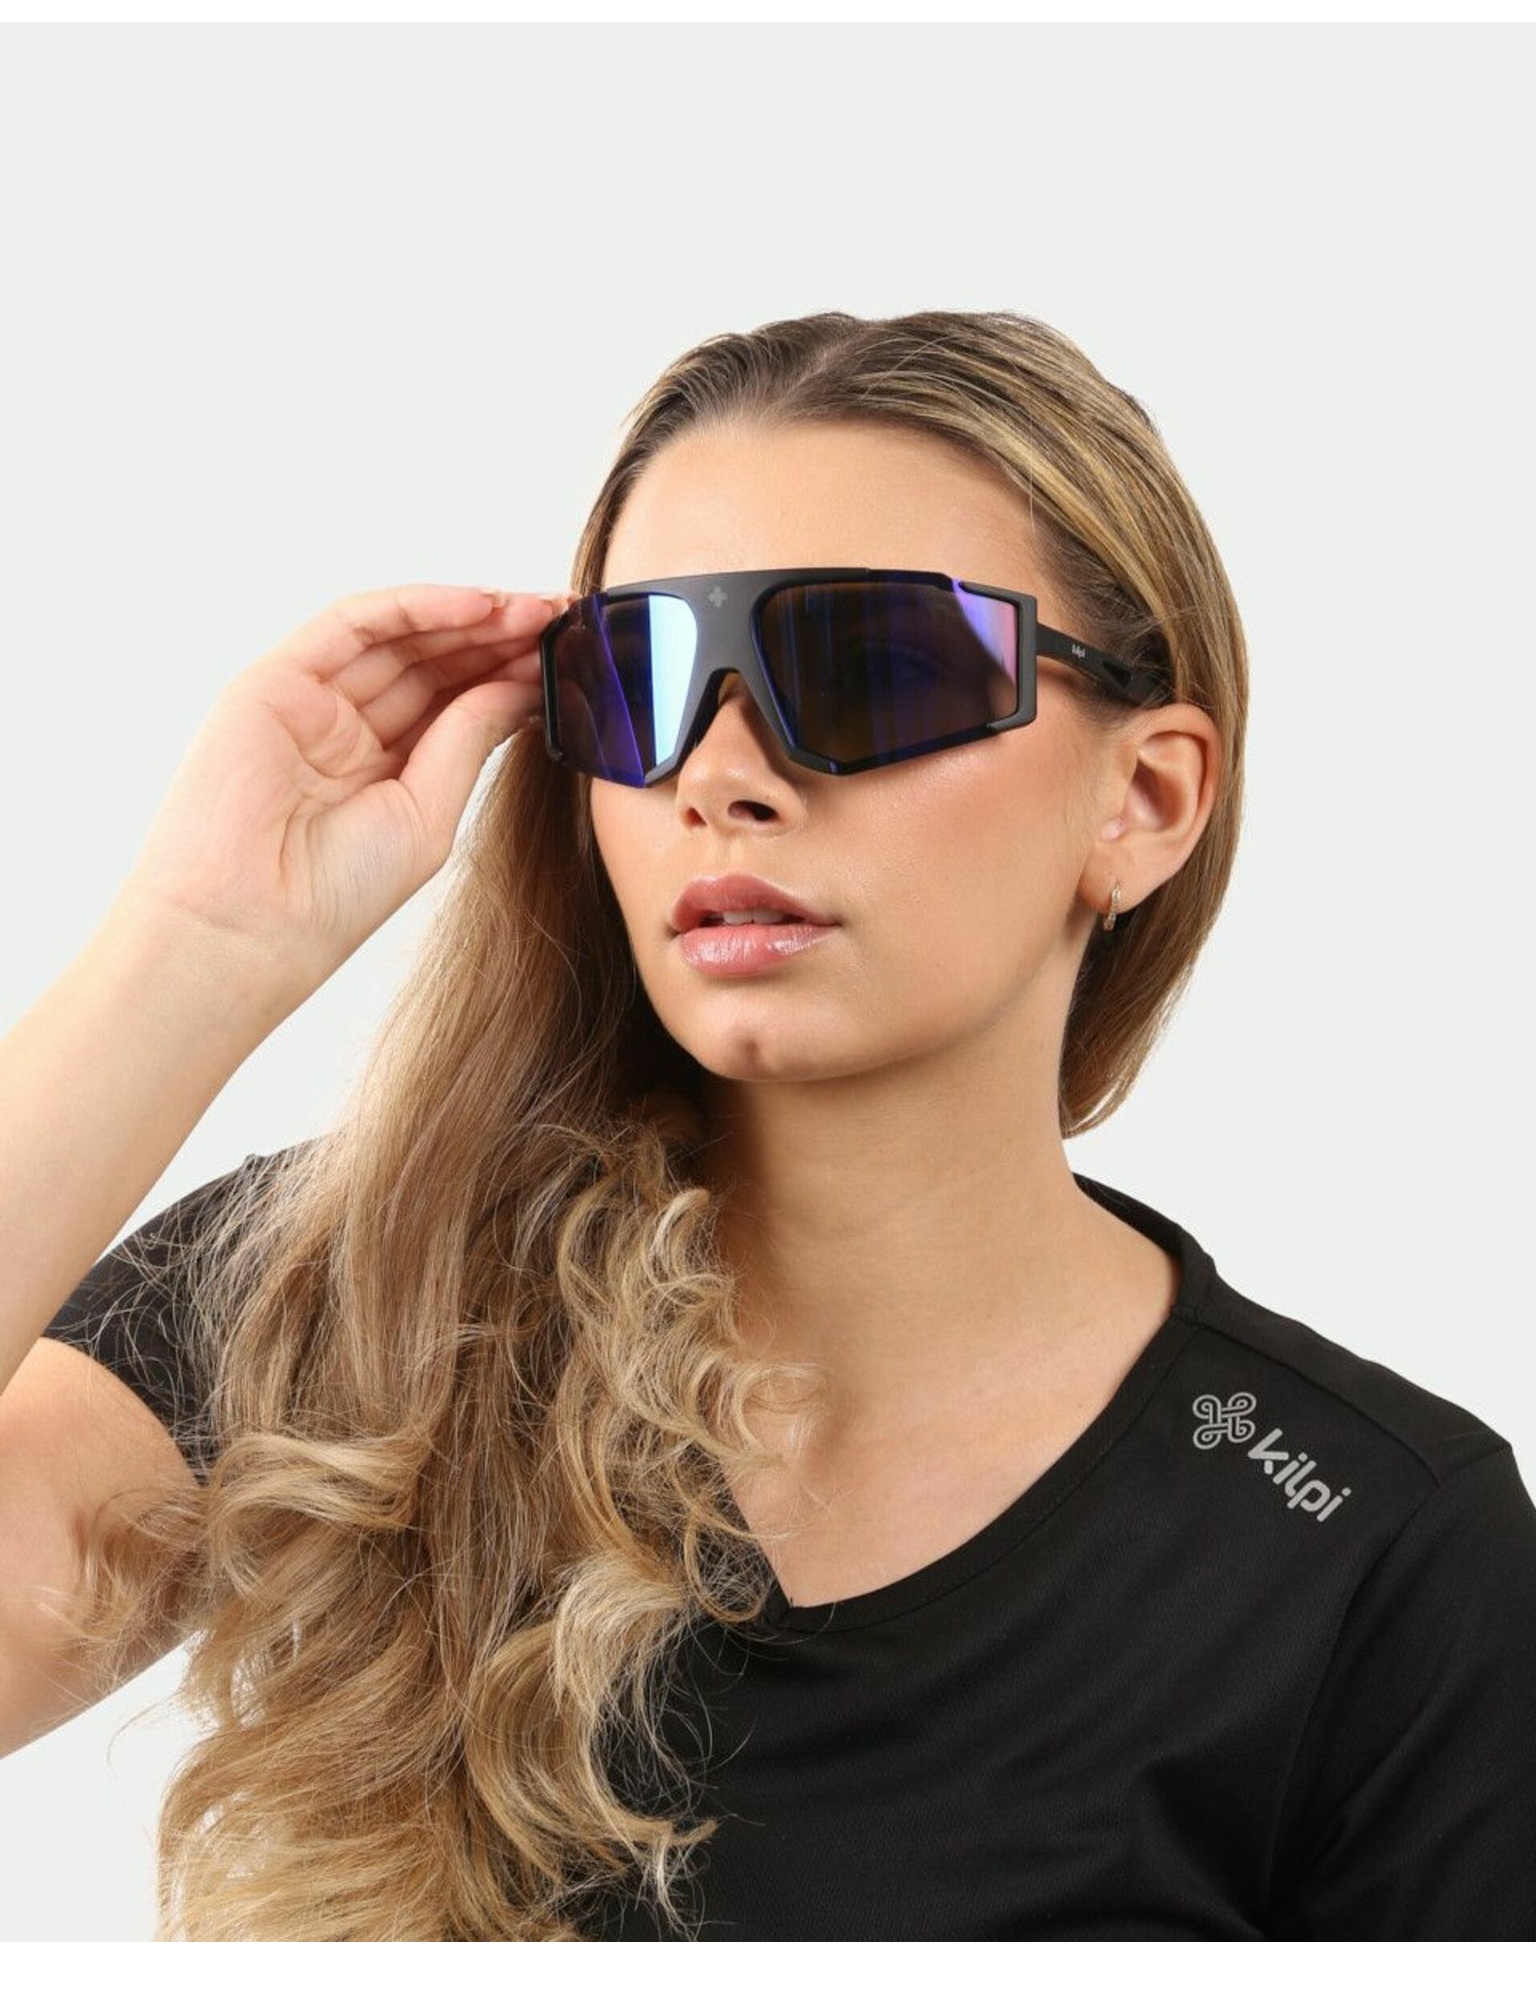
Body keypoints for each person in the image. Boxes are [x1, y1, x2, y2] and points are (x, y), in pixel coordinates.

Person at [2, 309, 1533, 1943]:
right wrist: (199, 947)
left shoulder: (1376, 1544)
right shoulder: (355, 1294)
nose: (720, 776)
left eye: (869, 670)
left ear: (1143, 798)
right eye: (641, 681)